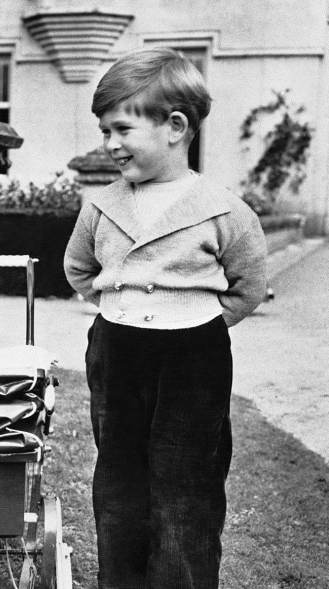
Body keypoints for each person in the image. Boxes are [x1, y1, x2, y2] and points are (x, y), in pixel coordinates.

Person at [63, 47, 267, 588]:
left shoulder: (225, 210)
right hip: (117, 350)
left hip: (192, 359)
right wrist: (124, 309)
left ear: (175, 126)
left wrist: (194, 322)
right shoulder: (101, 205)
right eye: (104, 130)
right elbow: (79, 270)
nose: (110, 144)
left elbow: (247, 287)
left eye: (122, 129)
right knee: (119, 483)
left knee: (187, 487)